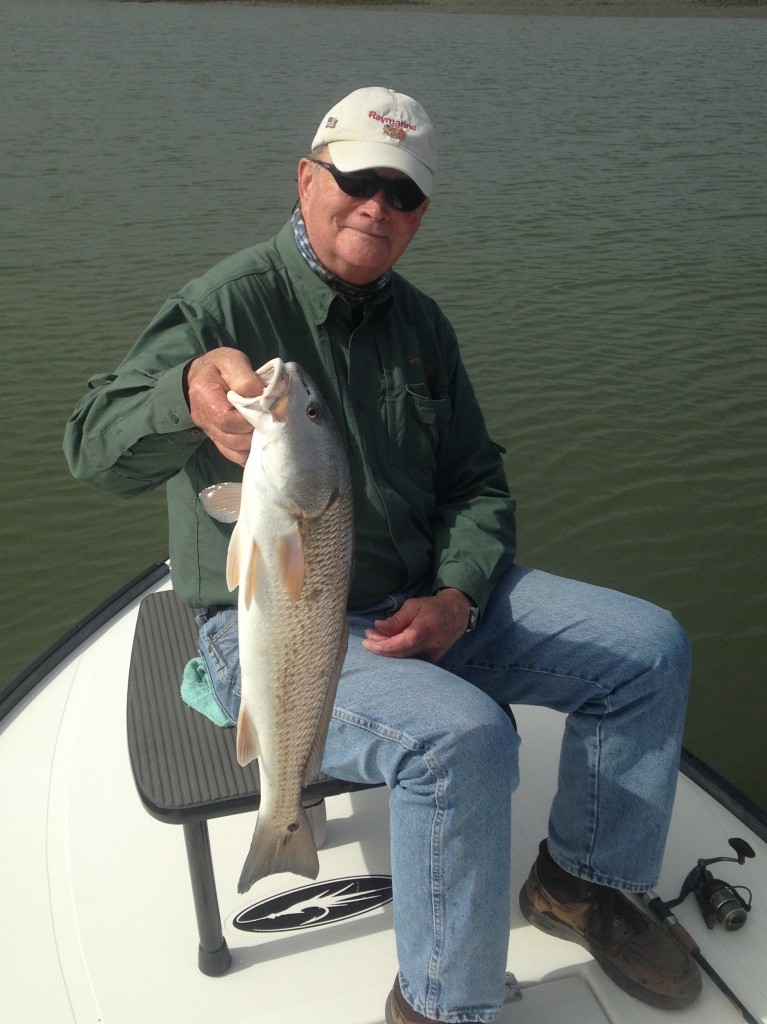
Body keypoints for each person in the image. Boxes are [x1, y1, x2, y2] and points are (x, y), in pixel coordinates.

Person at [64, 86, 700, 1023]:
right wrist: (183, 393)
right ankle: (441, 1005)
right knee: (463, 740)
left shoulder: (423, 328)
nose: (375, 207)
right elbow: (89, 446)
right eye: (356, 179)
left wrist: (457, 593)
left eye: (400, 195)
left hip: (420, 602)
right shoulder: (225, 302)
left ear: (419, 216)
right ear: (306, 178)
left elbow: (478, 482)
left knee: (647, 650)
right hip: (271, 628)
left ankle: (582, 881)